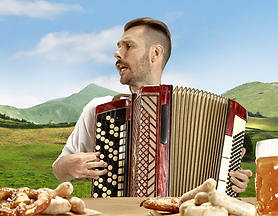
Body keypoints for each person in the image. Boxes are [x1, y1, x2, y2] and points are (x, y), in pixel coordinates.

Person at [52, 17, 252, 194]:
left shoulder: (207, 116)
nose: (117, 53)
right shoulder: (99, 109)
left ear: (155, 53)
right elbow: (58, 169)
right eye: (118, 46)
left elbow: (220, 188)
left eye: (128, 46)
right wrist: (68, 166)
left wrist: (233, 182)